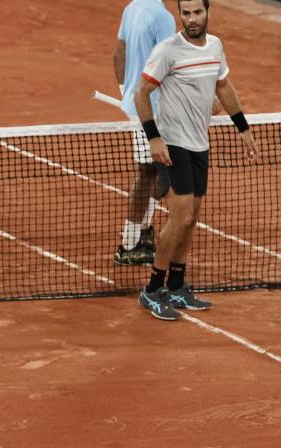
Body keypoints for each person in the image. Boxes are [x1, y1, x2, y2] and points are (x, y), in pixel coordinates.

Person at [135, 0, 257, 320]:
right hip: (173, 144)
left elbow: (224, 85)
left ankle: (176, 285)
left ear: (207, 12)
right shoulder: (167, 51)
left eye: (197, 13)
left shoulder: (215, 46)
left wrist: (242, 126)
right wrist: (154, 137)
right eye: (185, 13)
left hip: (199, 144)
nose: (191, 19)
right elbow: (141, 93)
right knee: (180, 217)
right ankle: (153, 289)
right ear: (181, 15)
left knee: (192, 218)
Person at [112, 0, 176, 266]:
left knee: (151, 170)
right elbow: (173, 65)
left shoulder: (133, 7)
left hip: (138, 104)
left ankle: (143, 233)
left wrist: (125, 93)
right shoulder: (163, 17)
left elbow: (118, 54)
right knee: (153, 171)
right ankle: (129, 243)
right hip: (154, 108)